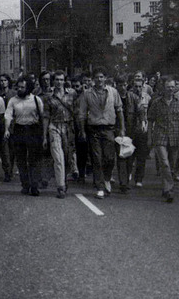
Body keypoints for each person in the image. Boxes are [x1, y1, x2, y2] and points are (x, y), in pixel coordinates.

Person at [77, 68, 125, 200]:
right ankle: (100, 187)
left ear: (105, 78)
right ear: (93, 79)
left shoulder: (113, 92)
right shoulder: (87, 94)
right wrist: (82, 131)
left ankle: (107, 178)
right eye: (97, 77)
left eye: (101, 77)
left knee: (109, 158)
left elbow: (119, 110)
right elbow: (81, 115)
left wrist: (122, 128)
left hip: (109, 129)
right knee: (97, 159)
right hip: (94, 129)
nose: (99, 80)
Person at [146, 78, 179, 203]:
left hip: (175, 137)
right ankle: (169, 190)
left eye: (172, 87)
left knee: (172, 165)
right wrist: (150, 137)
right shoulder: (156, 103)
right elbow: (150, 120)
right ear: (163, 88)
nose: (170, 89)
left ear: (175, 88)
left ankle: (166, 186)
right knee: (165, 163)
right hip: (160, 136)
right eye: (168, 87)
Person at [5, 78, 46, 197]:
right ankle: (25, 185)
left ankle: (34, 185)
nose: (20, 89)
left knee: (34, 159)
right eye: (18, 87)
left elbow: (42, 117)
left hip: (33, 129)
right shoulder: (13, 100)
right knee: (21, 159)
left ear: (28, 88)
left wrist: (43, 135)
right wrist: (7, 129)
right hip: (19, 129)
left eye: (23, 87)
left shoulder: (36, 99)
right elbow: (8, 115)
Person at [44, 71, 77, 198]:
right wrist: (44, 135)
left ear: (65, 81)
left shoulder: (72, 93)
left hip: (69, 127)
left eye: (61, 80)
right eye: (57, 79)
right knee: (58, 157)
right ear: (53, 81)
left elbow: (77, 111)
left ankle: (64, 179)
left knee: (68, 156)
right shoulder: (49, 96)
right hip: (54, 127)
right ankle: (61, 186)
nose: (59, 82)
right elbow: (46, 116)